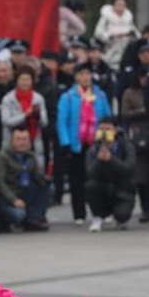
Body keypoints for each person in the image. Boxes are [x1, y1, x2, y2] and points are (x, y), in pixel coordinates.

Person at [57, 63, 112, 223]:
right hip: (76, 144)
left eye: (88, 74)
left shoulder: (100, 95)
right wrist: (65, 142)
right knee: (77, 180)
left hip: (97, 143)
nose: (85, 77)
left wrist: (107, 138)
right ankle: (79, 213)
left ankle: (103, 211)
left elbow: (107, 118)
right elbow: (62, 122)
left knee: (100, 178)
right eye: (81, 74)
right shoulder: (68, 97)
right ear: (76, 77)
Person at [0, 126, 50, 231]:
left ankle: (33, 219)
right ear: (12, 141)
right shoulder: (1, 157)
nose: (22, 143)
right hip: (7, 196)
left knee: (48, 188)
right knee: (18, 216)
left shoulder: (31, 157)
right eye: (18, 139)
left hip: (25, 192)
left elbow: (37, 178)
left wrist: (45, 179)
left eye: (24, 139)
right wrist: (13, 200)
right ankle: (23, 219)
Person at [84, 117, 136, 232]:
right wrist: (99, 160)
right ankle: (97, 217)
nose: (104, 133)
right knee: (90, 186)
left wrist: (111, 159)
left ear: (116, 130)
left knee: (122, 215)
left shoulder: (127, 146)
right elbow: (90, 173)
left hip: (122, 188)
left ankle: (119, 216)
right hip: (102, 187)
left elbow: (128, 169)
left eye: (108, 129)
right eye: (101, 129)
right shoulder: (93, 149)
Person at [120, 68, 149, 222]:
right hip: (137, 133)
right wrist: (144, 110)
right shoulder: (129, 93)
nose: (145, 80)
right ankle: (146, 208)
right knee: (141, 175)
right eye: (142, 77)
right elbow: (125, 113)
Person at [0, 65, 48, 170]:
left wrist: (37, 116)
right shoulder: (8, 99)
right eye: (22, 79)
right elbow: (6, 121)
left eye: (28, 80)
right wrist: (25, 115)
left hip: (34, 142)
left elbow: (44, 123)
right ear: (17, 81)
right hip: (12, 142)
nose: (25, 83)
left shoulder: (38, 99)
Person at [94, 0, 137, 71]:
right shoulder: (106, 18)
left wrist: (130, 35)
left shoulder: (128, 18)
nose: (120, 7)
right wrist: (111, 35)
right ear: (113, 6)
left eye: (123, 5)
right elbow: (98, 33)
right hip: (110, 50)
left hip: (125, 50)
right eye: (118, 5)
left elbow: (136, 33)